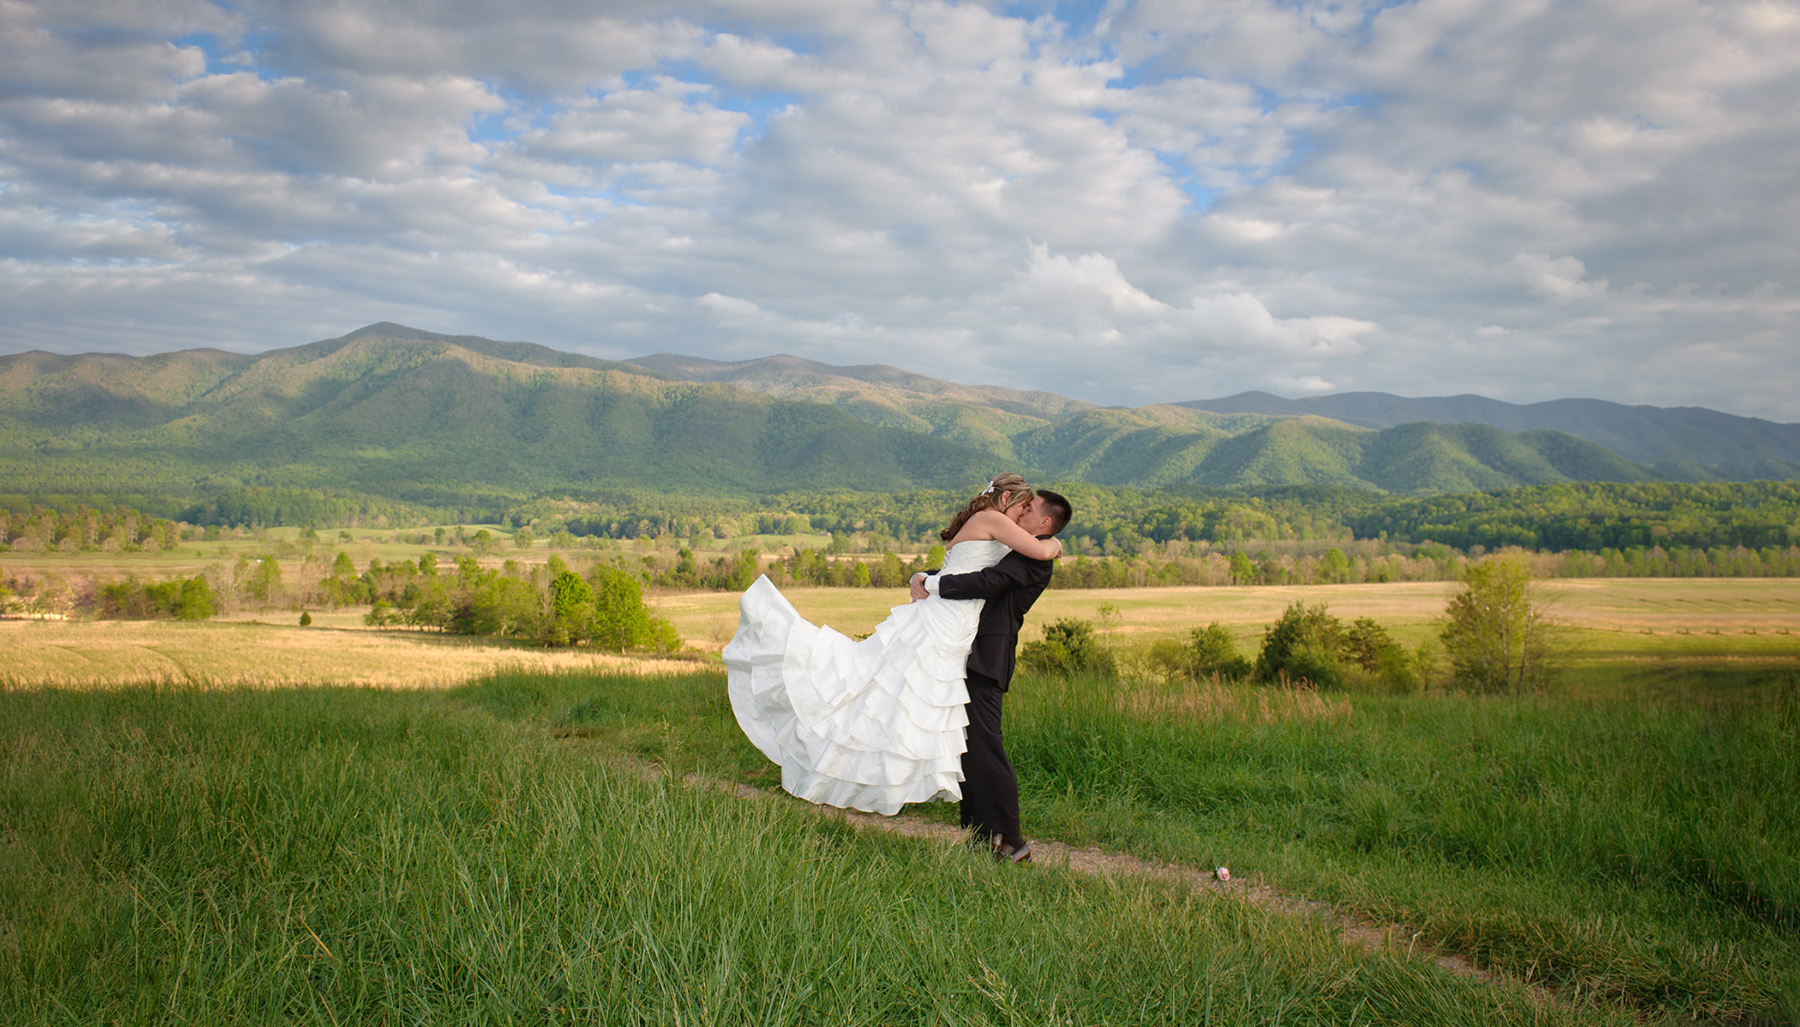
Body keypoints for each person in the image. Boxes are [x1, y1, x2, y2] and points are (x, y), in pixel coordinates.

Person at [723, 474, 1062, 818]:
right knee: (891, 698)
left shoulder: (988, 522)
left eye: (1029, 510)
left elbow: (974, 569)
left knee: (893, 699)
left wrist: (927, 579)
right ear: (1005, 499)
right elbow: (1028, 555)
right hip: (946, 622)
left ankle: (902, 776)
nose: (1022, 516)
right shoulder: (992, 519)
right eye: (1022, 507)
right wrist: (1053, 545)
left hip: (953, 623)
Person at [911, 488, 1071, 863]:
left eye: (1030, 510)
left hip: (988, 656)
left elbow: (987, 583)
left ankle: (1014, 840)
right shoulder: (1025, 549)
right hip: (970, 653)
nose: (1022, 513)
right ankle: (981, 835)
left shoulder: (1035, 556)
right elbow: (975, 572)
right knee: (969, 747)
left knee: (987, 747)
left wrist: (932, 584)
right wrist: (925, 575)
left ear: (1045, 523)